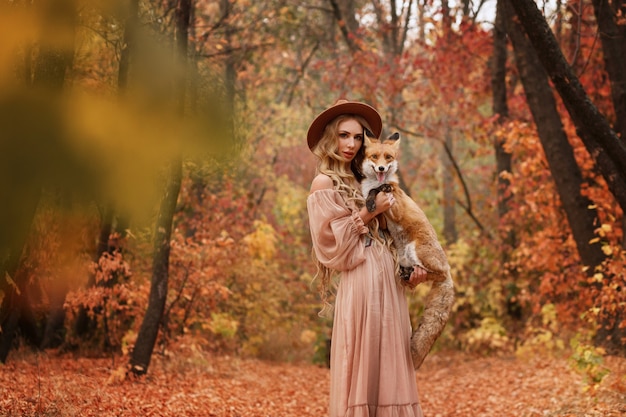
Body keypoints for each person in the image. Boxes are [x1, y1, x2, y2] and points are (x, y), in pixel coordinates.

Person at [306, 99, 427, 417]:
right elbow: (330, 247)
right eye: (344, 135)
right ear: (330, 138)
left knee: (392, 367)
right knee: (364, 369)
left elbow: (397, 231)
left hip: (390, 284)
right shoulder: (324, 183)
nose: (350, 144)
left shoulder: (369, 177)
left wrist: (410, 267)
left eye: (357, 137)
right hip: (360, 282)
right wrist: (370, 209)